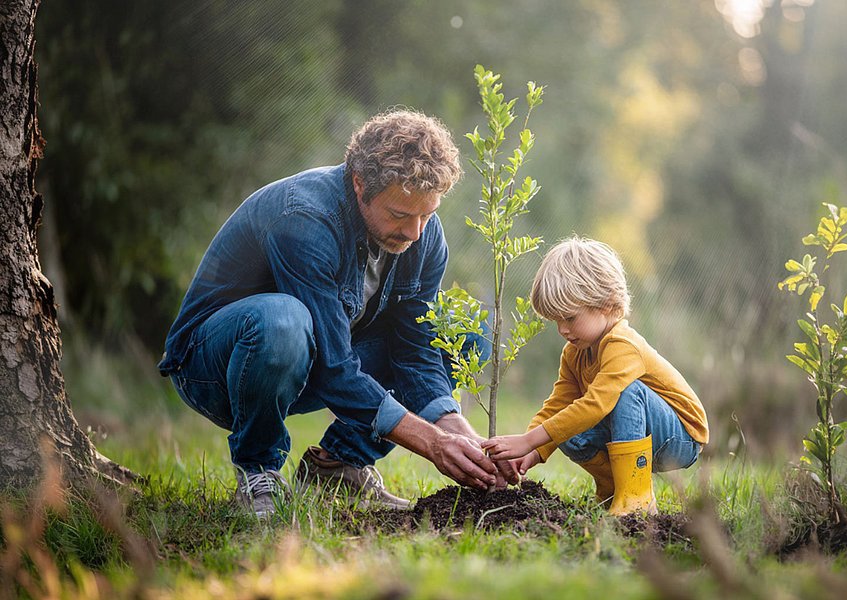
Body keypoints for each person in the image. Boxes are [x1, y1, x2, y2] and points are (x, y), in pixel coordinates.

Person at [158, 109, 513, 517]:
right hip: (216, 368)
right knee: (284, 319)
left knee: (461, 334)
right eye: (400, 215)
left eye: (426, 214)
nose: (415, 232)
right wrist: (431, 443)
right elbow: (333, 367)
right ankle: (259, 471)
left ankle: (338, 468)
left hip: (311, 365)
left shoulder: (423, 237)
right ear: (360, 183)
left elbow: (416, 350)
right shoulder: (305, 218)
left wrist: (455, 430)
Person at [481, 236, 708, 515]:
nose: (562, 329)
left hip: (680, 437)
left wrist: (529, 440)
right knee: (565, 428)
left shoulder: (622, 345)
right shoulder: (574, 353)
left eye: (570, 318)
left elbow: (596, 405)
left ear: (606, 304)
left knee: (628, 391)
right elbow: (558, 405)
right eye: (556, 320)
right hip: (635, 432)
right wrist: (533, 450)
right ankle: (614, 490)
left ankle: (636, 497)